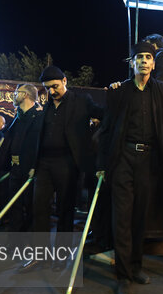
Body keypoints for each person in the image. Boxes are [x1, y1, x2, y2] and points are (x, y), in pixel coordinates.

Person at [97, 42, 163, 294]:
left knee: (140, 217)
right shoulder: (119, 92)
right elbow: (107, 130)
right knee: (121, 217)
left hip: (150, 161)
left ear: (154, 64)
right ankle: (123, 276)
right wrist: (101, 164)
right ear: (131, 63)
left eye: (148, 57)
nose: (144, 61)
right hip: (123, 159)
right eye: (139, 58)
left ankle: (136, 266)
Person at [20, 66, 104, 272]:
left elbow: (106, 115)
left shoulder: (82, 102)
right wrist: (33, 165)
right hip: (44, 165)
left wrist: (95, 138)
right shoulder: (45, 107)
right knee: (39, 209)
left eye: (55, 86)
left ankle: (60, 257)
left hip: (68, 164)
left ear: (65, 81)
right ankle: (40, 256)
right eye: (47, 88)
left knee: (65, 211)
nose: (52, 91)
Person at [0, 84, 44, 247]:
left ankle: (29, 243)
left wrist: (35, 166)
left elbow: (39, 144)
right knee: (14, 205)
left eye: (17, 92)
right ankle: (14, 242)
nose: (14, 95)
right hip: (15, 168)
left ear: (26, 95)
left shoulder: (39, 116)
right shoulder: (18, 117)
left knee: (30, 207)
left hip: (30, 169)